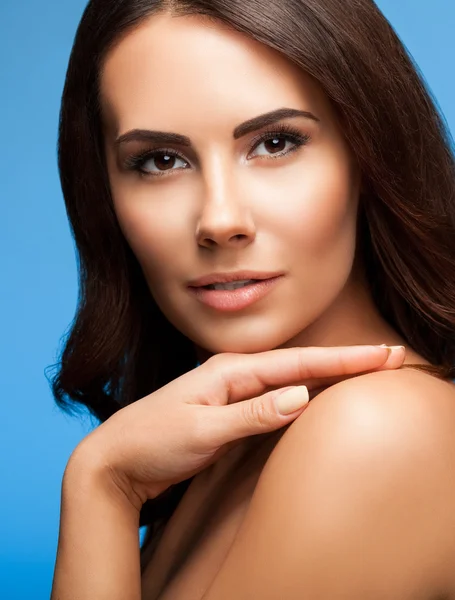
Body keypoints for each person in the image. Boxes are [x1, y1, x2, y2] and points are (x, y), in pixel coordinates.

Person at [50, 0, 455, 598]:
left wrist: (99, 484)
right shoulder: (226, 442)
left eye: (276, 143)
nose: (219, 220)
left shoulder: (377, 433)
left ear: (368, 157)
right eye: (160, 160)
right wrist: (106, 482)